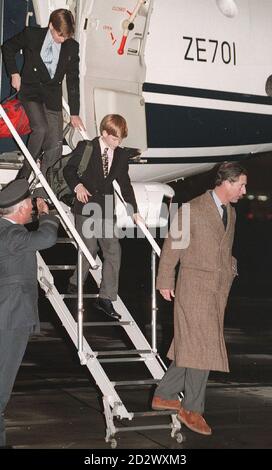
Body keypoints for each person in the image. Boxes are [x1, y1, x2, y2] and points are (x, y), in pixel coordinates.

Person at [151, 162, 247, 436]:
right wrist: (165, 281)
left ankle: (165, 394)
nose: (244, 190)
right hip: (193, 288)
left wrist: (230, 268)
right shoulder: (191, 209)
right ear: (226, 183)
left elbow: (223, 248)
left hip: (217, 290)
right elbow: (173, 246)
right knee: (202, 349)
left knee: (193, 346)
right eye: (241, 184)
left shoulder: (232, 212)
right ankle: (192, 408)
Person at [63, 114, 143, 320]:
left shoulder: (121, 155)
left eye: (121, 140)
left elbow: (124, 184)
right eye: (115, 139)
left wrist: (133, 209)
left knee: (113, 251)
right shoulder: (86, 147)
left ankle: (105, 298)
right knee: (90, 248)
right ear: (105, 133)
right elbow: (69, 170)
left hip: (106, 208)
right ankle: (75, 282)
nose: (118, 144)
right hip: (86, 205)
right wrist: (77, 185)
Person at [0, 179, 59, 448]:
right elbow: (46, 238)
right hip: (11, 318)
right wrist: (48, 214)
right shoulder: (11, 235)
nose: (32, 212)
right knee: (2, 384)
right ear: (20, 208)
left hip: (8, 314)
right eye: (30, 208)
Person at [1, 8, 84, 180]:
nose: (62, 40)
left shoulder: (71, 47)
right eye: (60, 35)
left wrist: (75, 113)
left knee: (55, 145)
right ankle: (23, 178)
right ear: (51, 26)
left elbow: (73, 80)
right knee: (41, 128)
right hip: (31, 92)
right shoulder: (32, 35)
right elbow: (7, 47)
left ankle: (42, 193)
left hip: (52, 97)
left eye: (66, 37)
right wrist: (14, 73)